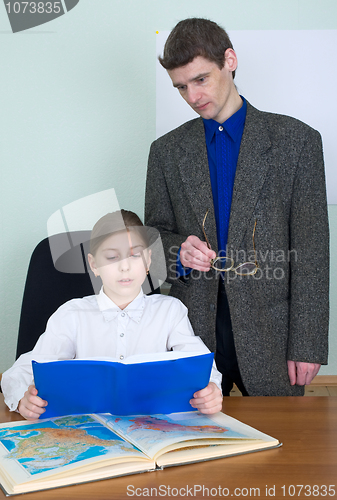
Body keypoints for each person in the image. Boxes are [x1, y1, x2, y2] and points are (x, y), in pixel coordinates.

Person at [145, 18, 329, 396]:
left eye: (201, 79)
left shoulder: (298, 141)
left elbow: (312, 253)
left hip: (272, 331)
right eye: (181, 87)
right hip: (190, 328)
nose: (193, 97)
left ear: (229, 60)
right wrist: (178, 250)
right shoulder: (165, 152)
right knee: (193, 443)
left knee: (280, 444)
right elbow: (154, 237)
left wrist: (307, 344)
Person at [1, 210, 222, 420]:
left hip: (153, 430)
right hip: (88, 435)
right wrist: (22, 399)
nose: (124, 267)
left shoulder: (171, 312)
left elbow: (202, 368)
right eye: (112, 257)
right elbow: (19, 372)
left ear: (148, 261)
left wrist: (211, 389)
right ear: (94, 264)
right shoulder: (72, 315)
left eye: (135, 255)